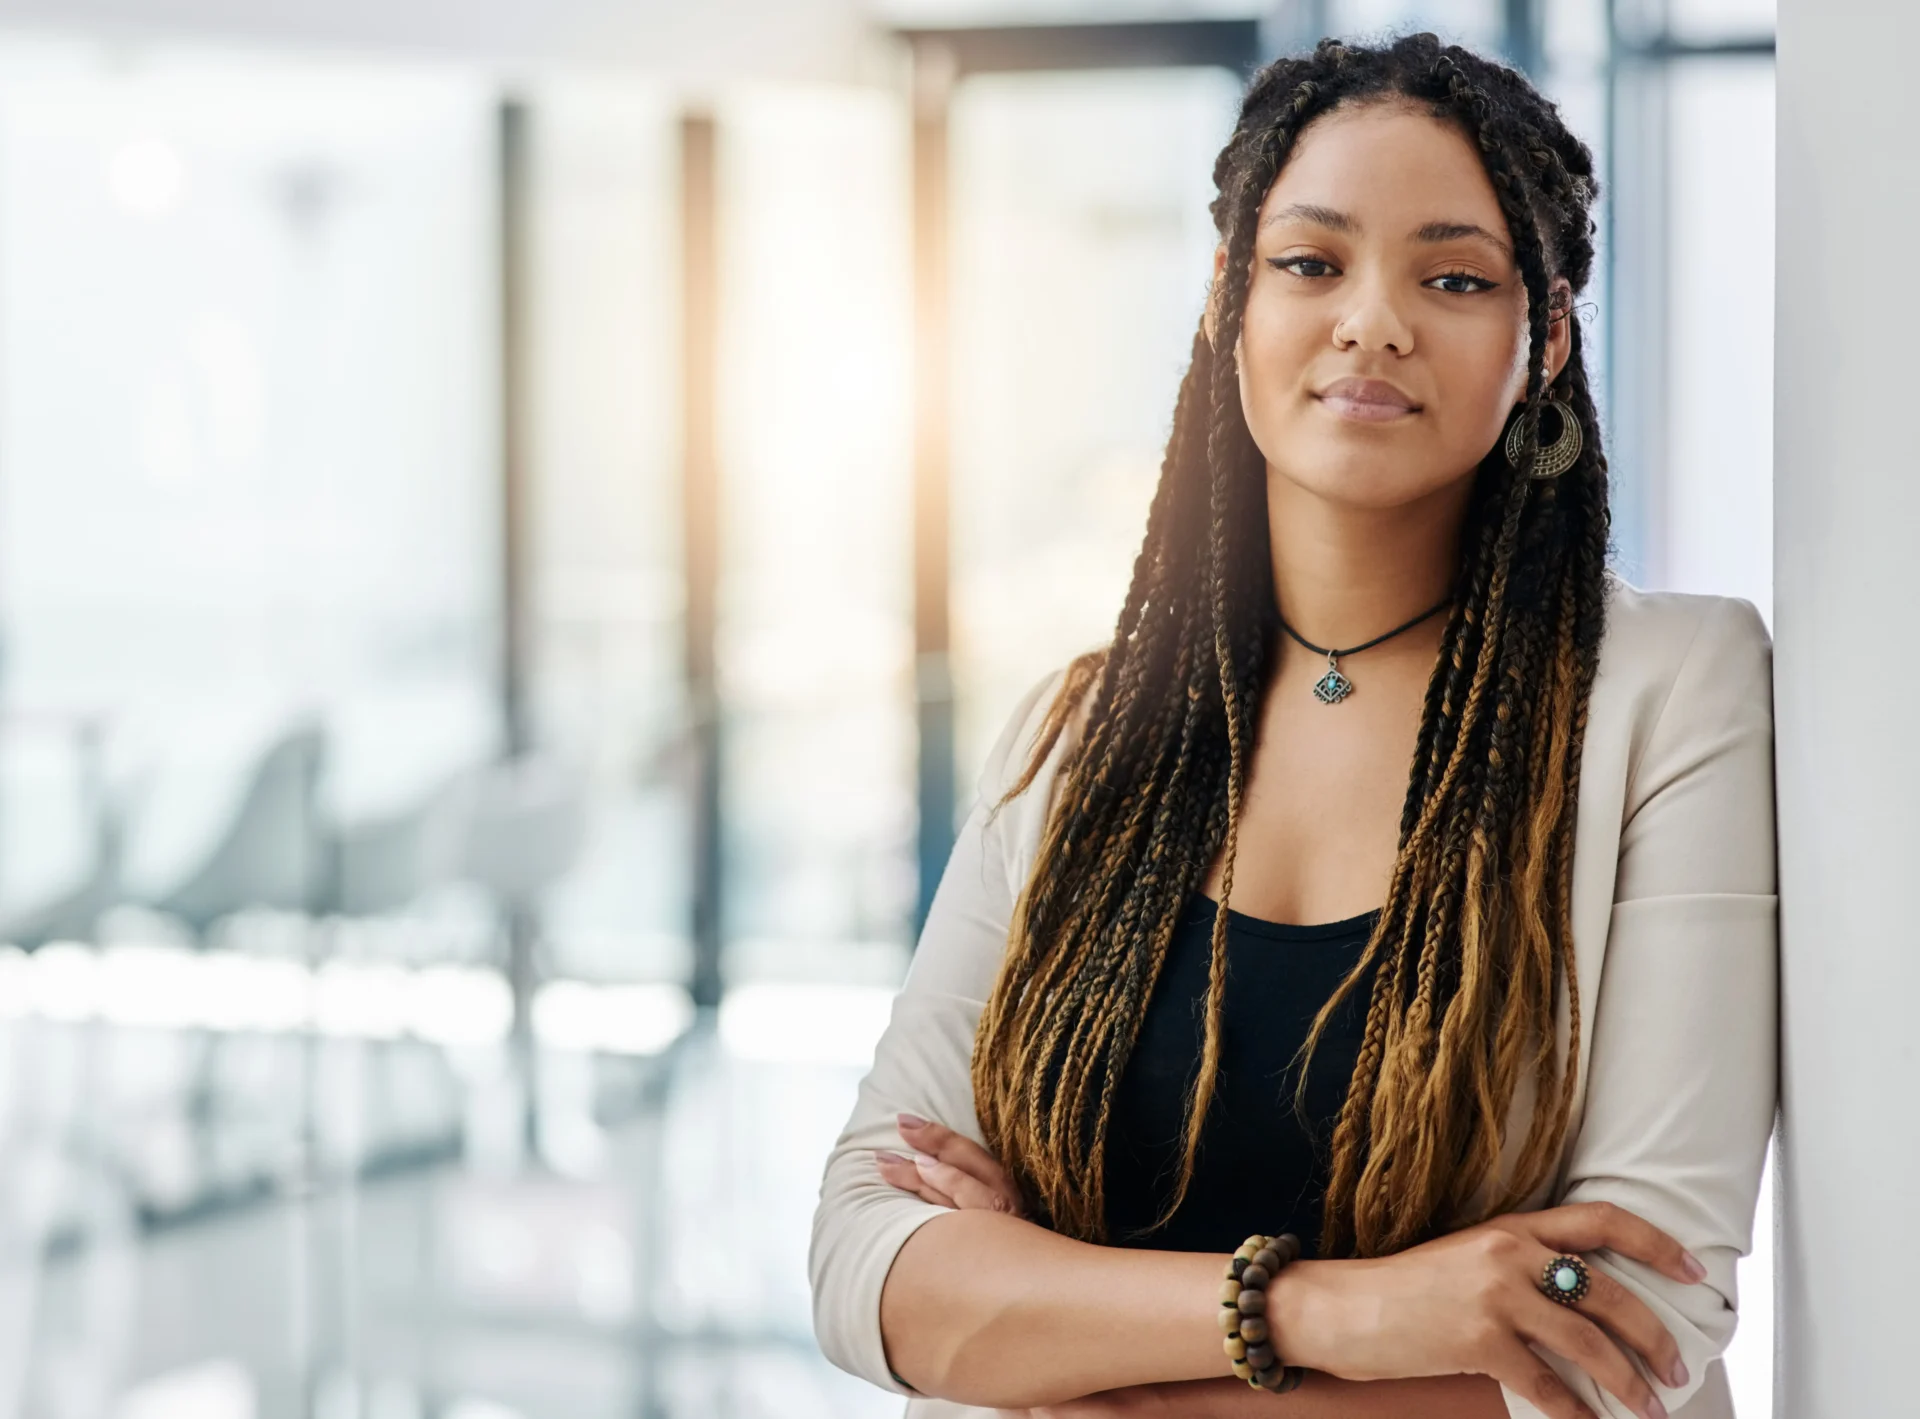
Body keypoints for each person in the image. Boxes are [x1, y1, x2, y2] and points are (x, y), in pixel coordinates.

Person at [810, 32, 1775, 1419]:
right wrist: (1341, 1310)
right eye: (1312, 263)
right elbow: (865, 1259)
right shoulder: (1078, 733)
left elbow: (1638, 1328)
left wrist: (1058, 1341)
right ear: (1227, 303)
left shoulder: (1672, 691)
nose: (1371, 322)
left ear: (1544, 337)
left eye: (1453, 277)